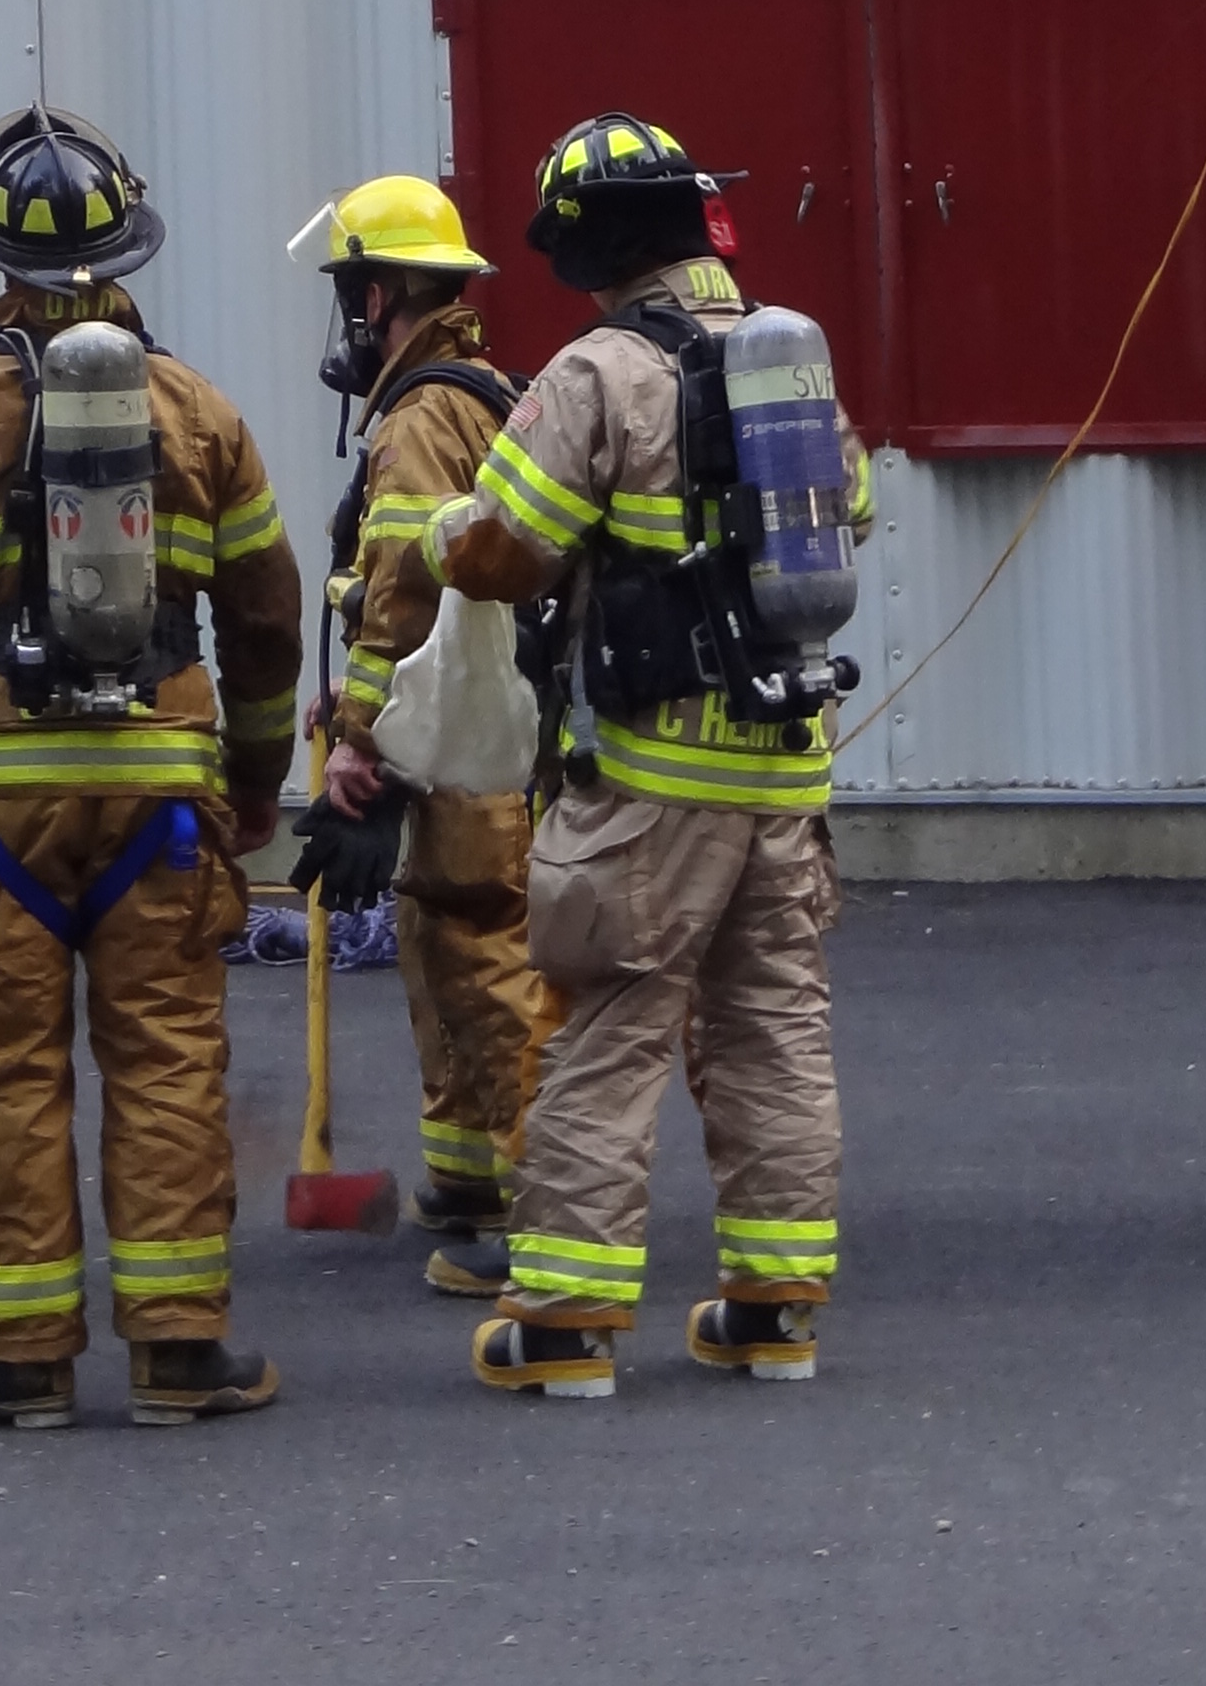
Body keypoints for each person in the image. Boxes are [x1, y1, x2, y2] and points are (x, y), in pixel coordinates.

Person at [0, 106, 304, 1428]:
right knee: (168, 1060)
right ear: (129, 251)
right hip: (162, 795)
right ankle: (182, 1354)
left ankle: (20, 1362)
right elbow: (265, 617)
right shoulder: (201, 414)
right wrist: (257, 775)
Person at [428, 114, 872, 1404]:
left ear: (589, 248)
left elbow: (508, 549)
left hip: (649, 780)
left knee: (606, 1031)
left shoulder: (600, 373)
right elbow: (851, 508)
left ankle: (565, 1324)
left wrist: (442, 535)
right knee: (773, 1031)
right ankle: (774, 1311)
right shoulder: (788, 363)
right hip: (783, 768)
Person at [293, 174, 538, 1298]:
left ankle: (552, 1213)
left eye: (352, 294)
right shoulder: (469, 394)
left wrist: (361, 736)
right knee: (439, 939)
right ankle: (468, 1177)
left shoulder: (423, 415)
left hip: (457, 731)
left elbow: (406, 581)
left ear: (381, 295)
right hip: (453, 717)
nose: (348, 319)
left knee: (482, 951)